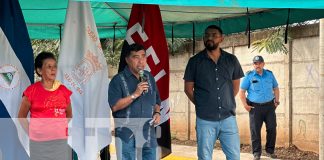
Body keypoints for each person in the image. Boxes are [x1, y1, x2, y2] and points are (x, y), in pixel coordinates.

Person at [184, 25, 244, 160]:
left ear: (221, 38)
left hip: (228, 118)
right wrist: (202, 104)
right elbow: (188, 89)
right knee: (205, 156)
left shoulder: (231, 60)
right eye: (207, 35)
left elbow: (235, 88)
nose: (209, 37)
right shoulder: (194, 61)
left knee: (234, 156)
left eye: (214, 35)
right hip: (205, 119)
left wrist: (224, 102)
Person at [108, 43, 161, 160]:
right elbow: (114, 107)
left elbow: (157, 100)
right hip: (126, 131)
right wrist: (135, 94)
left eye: (143, 56)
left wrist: (157, 113)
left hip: (148, 130)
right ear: (127, 60)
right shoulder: (117, 80)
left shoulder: (149, 77)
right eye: (136, 57)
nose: (141, 61)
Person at [18, 51, 72, 160]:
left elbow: (69, 115)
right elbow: (21, 116)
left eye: (55, 66)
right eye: (49, 66)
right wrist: (33, 133)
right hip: (39, 144)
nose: (53, 69)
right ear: (39, 70)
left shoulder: (63, 91)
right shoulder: (31, 91)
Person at [238, 55, 280, 160]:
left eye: (259, 63)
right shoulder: (249, 76)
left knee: (272, 128)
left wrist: (276, 101)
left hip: (270, 107)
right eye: (255, 63)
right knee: (255, 131)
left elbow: (276, 88)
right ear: (253, 65)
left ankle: (270, 151)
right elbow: (242, 92)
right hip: (255, 108)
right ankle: (256, 153)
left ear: (263, 64)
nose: (257, 65)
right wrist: (245, 105)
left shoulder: (269, 75)